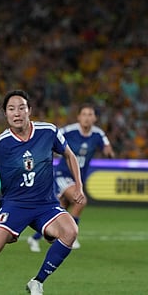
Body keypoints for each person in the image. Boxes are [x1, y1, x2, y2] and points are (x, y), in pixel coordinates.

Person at [0, 90, 84, 295]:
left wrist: (79, 186)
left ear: (29, 111)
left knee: (70, 232)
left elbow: (69, 155)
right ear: (6, 114)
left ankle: (38, 282)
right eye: (11, 109)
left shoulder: (49, 131)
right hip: (14, 206)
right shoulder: (0, 143)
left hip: (46, 205)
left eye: (21, 108)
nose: (17, 113)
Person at [27, 103, 115, 252]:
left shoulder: (98, 134)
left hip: (77, 179)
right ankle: (71, 236)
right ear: (79, 117)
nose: (87, 118)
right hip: (63, 175)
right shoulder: (69, 131)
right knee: (81, 201)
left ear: (95, 118)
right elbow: (51, 137)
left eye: (90, 115)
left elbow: (108, 149)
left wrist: (109, 152)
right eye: (84, 114)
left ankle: (34, 238)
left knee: (60, 210)